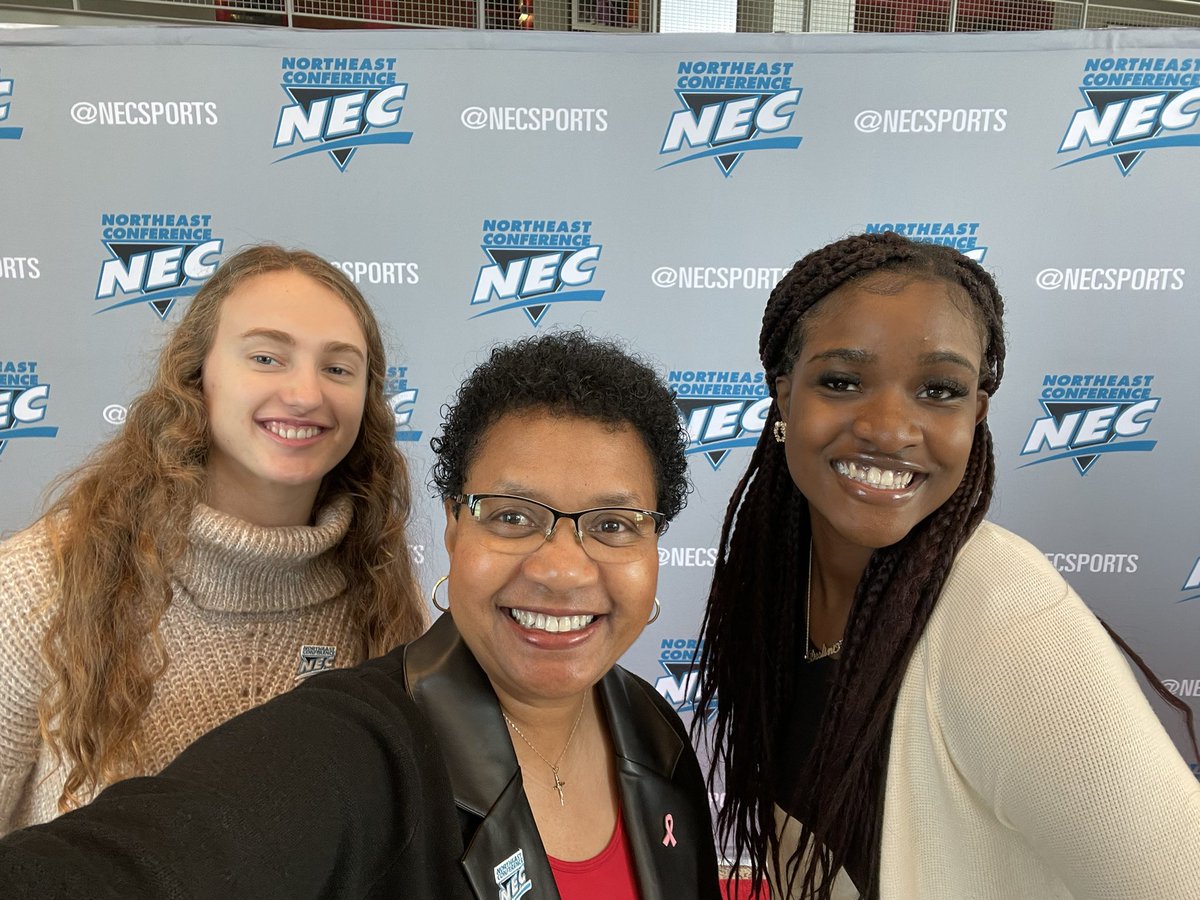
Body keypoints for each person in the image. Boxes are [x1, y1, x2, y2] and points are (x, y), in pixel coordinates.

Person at [0, 331, 723, 900]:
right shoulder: (354, 749)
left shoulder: (655, 740)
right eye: (511, 516)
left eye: (613, 525)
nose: (563, 569)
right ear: (452, 526)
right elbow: (129, 867)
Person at [694, 231, 1200, 900]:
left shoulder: (1003, 611)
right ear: (784, 395)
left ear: (977, 415)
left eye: (939, 390)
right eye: (842, 381)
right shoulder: (776, 580)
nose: (891, 428)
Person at [0, 244, 425, 834]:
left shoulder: (381, 595)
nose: (306, 394)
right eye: (266, 357)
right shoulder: (42, 579)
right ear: (197, 376)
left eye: (338, 368)